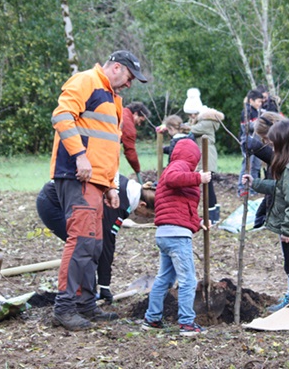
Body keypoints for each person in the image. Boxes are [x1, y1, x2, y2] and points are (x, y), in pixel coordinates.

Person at [48, 49, 147, 331]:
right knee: (80, 242)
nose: (129, 84)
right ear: (116, 67)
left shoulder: (113, 98)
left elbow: (108, 147)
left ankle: (86, 305)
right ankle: (64, 308)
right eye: (129, 77)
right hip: (76, 175)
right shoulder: (86, 81)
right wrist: (79, 155)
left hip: (97, 181)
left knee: (93, 244)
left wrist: (111, 186)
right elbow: (62, 117)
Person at [36, 175, 156, 303]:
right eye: (149, 215)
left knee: (88, 245)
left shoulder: (127, 188)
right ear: (142, 204)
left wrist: (104, 283)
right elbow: (107, 243)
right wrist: (105, 285)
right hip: (53, 204)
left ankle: (86, 296)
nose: (146, 217)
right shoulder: (118, 202)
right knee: (83, 246)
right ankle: (74, 299)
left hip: (65, 197)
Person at [242, 119, 289, 310]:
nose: (270, 145)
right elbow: (280, 188)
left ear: (283, 143)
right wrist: (255, 183)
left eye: (273, 142)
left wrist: (287, 230)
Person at [142, 138, 211, 336]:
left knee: (164, 278)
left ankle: (152, 318)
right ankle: (187, 323)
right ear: (192, 156)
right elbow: (173, 178)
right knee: (188, 280)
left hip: (166, 233)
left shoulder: (181, 170)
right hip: (176, 235)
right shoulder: (178, 166)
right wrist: (198, 178)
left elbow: (181, 206)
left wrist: (198, 222)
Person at [183, 89, 225, 223]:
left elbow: (192, 129)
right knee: (208, 185)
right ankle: (213, 213)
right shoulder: (200, 120)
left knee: (208, 186)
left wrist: (175, 125)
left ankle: (212, 215)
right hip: (203, 154)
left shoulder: (206, 122)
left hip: (207, 155)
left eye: (191, 115)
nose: (190, 117)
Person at [237, 89, 264, 197]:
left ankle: (253, 187)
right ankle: (242, 188)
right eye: (258, 101)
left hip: (257, 142)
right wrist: (261, 123)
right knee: (247, 166)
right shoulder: (246, 111)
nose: (260, 104)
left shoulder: (256, 111)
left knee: (255, 167)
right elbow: (246, 127)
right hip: (248, 143)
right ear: (251, 100)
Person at [121, 102, 151, 183]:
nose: (139, 124)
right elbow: (130, 152)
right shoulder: (128, 125)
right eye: (140, 120)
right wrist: (137, 169)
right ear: (136, 113)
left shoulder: (121, 111)